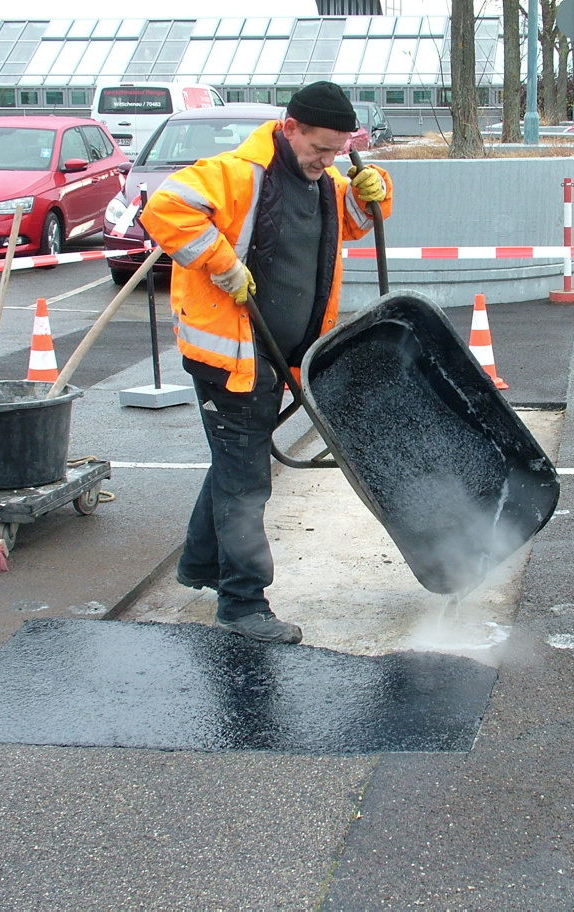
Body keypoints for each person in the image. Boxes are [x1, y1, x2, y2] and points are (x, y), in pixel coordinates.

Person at [140, 81, 392, 645]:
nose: (327, 162)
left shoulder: (323, 182)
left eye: (338, 152)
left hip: (281, 355)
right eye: (319, 148)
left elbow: (347, 225)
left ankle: (202, 565)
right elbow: (165, 207)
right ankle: (242, 604)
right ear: (290, 127)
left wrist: (369, 194)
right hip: (229, 358)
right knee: (246, 480)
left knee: (237, 461)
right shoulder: (236, 173)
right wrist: (221, 261)